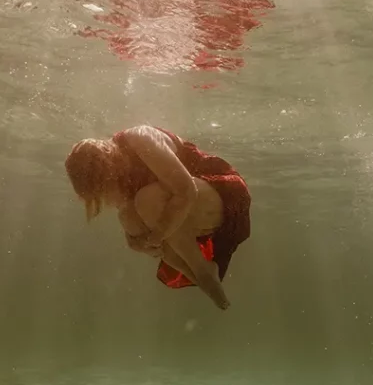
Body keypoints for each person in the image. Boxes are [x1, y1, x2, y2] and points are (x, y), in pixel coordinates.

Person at [64, 125, 251, 310]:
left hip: (224, 193)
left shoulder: (140, 138)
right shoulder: (119, 175)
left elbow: (186, 191)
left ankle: (203, 271)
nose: (106, 194)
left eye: (103, 185)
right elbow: (142, 223)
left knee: (147, 199)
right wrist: (138, 243)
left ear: (108, 166)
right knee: (128, 217)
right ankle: (196, 273)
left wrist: (154, 237)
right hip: (190, 210)